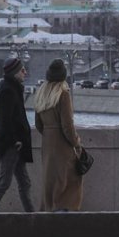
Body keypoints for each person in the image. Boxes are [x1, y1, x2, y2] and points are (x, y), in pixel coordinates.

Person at [33, 59, 83, 212]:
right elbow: (67, 126)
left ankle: (48, 209)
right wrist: (76, 143)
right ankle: (63, 211)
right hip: (62, 144)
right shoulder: (63, 94)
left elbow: (38, 124)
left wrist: (49, 134)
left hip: (47, 143)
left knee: (50, 180)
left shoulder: (41, 93)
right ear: (63, 76)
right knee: (71, 178)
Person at [0, 57, 35, 212]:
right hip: (11, 145)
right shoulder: (8, 90)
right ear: (14, 72)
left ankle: (33, 217)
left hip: (16, 144)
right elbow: (5, 121)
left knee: (24, 182)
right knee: (4, 182)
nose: (25, 72)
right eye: (22, 70)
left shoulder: (12, 88)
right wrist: (15, 141)